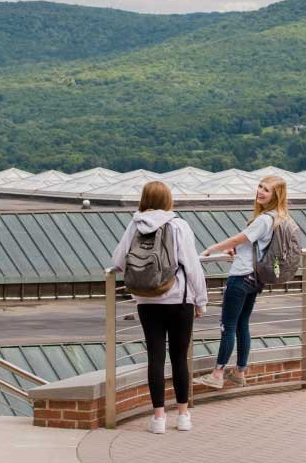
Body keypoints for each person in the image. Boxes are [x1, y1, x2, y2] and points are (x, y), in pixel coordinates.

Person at [111, 181, 208, 434]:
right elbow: (193, 266)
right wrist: (201, 300)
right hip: (178, 300)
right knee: (179, 357)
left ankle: (158, 419)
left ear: (144, 199)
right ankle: (184, 415)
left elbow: (118, 259)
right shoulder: (178, 225)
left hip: (147, 300)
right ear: (168, 200)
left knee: (155, 357)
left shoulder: (135, 224)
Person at [195, 175, 288, 390]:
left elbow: (240, 238)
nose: (260, 192)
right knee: (241, 324)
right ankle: (240, 372)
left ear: (276, 195)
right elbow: (253, 244)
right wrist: (237, 250)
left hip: (241, 277)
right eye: (260, 187)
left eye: (267, 190)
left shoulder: (264, 219)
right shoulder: (277, 217)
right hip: (255, 278)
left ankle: (217, 374)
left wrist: (212, 249)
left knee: (227, 326)